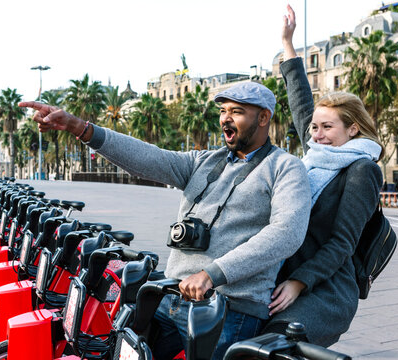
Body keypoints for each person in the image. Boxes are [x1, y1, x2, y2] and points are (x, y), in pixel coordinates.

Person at [20, 81, 311, 359]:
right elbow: (148, 158)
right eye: (223, 111)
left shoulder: (285, 167)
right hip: (170, 297)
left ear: (263, 118)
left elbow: (287, 232)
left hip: (228, 309)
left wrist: (213, 273)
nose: (226, 119)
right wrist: (78, 127)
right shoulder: (205, 161)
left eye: (236, 112)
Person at [262, 5, 384, 347]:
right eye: (314, 127)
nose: (316, 134)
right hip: (285, 275)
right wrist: (287, 43)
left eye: (327, 127)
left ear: (353, 129)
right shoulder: (317, 153)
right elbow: (301, 98)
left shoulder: (362, 169)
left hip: (326, 289)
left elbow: (342, 244)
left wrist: (300, 282)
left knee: (273, 344)